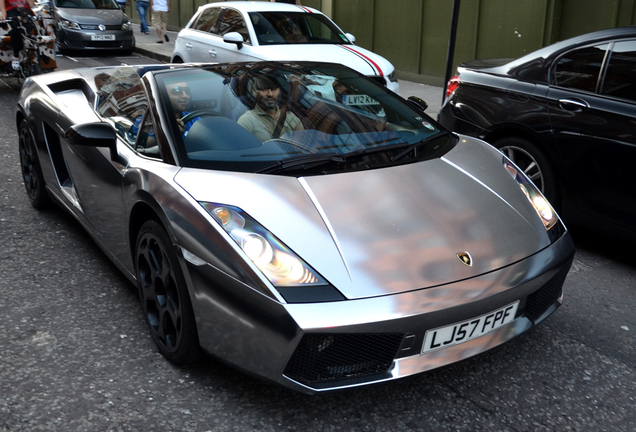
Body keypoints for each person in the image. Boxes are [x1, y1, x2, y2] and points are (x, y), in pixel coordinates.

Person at [238, 75, 303, 142]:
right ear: (254, 92)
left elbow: (302, 146)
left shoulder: (291, 118)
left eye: (273, 89)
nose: (270, 94)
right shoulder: (247, 120)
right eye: (264, 89)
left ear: (279, 91)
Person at [0, 0, 35, 70]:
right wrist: (3, 13)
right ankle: (16, 56)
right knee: (16, 31)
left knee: (33, 33)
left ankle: (32, 56)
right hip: (11, 12)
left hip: (25, 13)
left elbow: (31, 5)